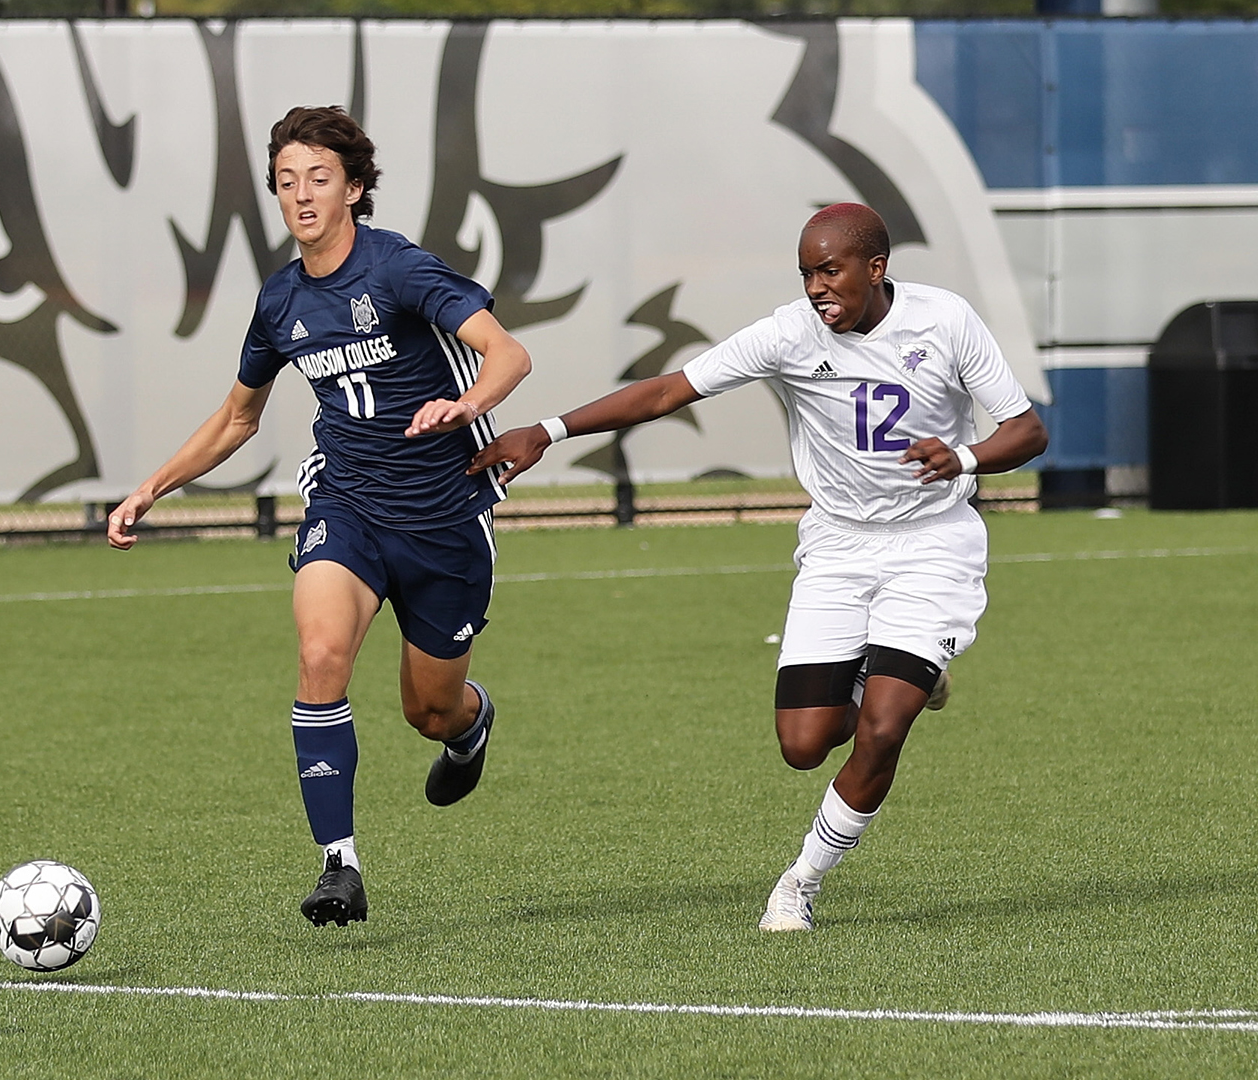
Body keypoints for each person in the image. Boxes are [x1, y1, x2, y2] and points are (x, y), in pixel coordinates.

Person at [470, 203, 1048, 931]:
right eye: (807, 272)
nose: (816, 287)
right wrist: (549, 431)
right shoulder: (788, 334)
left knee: (882, 729)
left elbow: (1027, 430)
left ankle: (799, 884)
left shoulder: (947, 321)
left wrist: (963, 458)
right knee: (803, 745)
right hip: (837, 546)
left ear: (876, 268)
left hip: (933, 543)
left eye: (830, 270)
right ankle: (905, 672)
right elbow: (667, 390)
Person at [107, 106, 533, 927]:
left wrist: (465, 403)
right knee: (320, 651)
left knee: (428, 709)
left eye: (319, 178)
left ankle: (469, 727)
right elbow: (238, 417)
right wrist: (151, 487)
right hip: (347, 504)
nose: (301, 195)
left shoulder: (400, 270)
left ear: (355, 188)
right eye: (286, 181)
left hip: (443, 518)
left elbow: (509, 353)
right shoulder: (281, 302)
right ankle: (339, 864)